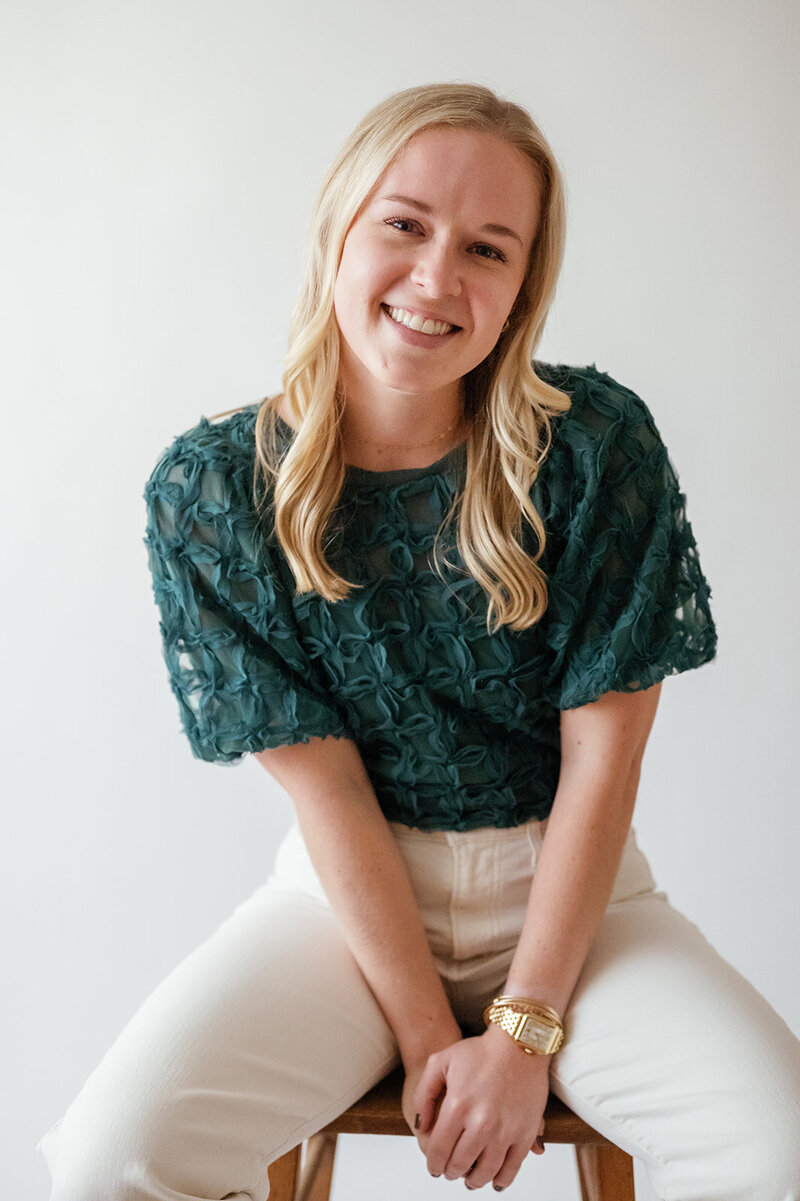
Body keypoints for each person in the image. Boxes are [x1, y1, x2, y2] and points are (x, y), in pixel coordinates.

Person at [38, 81, 800, 1201]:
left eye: (487, 249)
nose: (437, 277)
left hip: (570, 903)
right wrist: (428, 1037)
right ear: (338, 228)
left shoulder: (591, 448)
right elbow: (330, 794)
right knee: (111, 1165)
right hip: (344, 908)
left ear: (520, 289)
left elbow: (604, 758)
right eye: (404, 223)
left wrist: (524, 1029)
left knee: (776, 1150)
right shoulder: (212, 492)